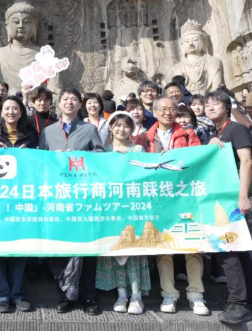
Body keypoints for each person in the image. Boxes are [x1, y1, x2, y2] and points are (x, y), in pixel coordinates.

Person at [135, 97, 208, 316]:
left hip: (185, 197)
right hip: (158, 199)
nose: (168, 113)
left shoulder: (188, 134)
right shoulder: (143, 138)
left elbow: (198, 160)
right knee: (164, 248)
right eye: (163, 109)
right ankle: (169, 293)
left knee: (193, 246)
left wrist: (175, 159)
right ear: (154, 112)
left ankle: (196, 295)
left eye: (172, 109)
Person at [39, 88, 104, 316]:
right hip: (57, 197)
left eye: (74, 99)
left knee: (87, 249)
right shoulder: (48, 131)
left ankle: (88, 296)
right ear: (59, 104)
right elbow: (41, 161)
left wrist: (79, 157)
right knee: (61, 247)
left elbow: (100, 157)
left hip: (83, 197)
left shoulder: (89, 129)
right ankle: (65, 294)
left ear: (80, 105)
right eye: (65, 99)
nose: (69, 102)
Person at [202, 91, 252, 324]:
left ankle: (238, 303)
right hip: (223, 198)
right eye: (207, 104)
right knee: (239, 250)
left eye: (215, 103)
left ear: (227, 107)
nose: (210, 107)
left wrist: (243, 196)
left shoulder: (236, 129)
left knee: (227, 250)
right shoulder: (217, 133)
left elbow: (246, 161)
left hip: (233, 198)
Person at [95, 112, 151, 315]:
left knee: (133, 251)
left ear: (132, 129)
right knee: (115, 249)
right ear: (110, 127)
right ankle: (121, 294)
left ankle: (136, 296)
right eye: (117, 125)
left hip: (134, 208)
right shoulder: (103, 151)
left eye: (126, 126)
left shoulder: (138, 150)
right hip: (111, 208)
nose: (121, 129)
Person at [0, 96, 38, 313]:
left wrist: (29, 155)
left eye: (15, 108)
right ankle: (1, 294)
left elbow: (39, 163)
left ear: (21, 112)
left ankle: (17, 294)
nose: (11, 112)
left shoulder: (31, 135)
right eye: (7, 108)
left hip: (22, 197)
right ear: (1, 112)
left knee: (20, 246)